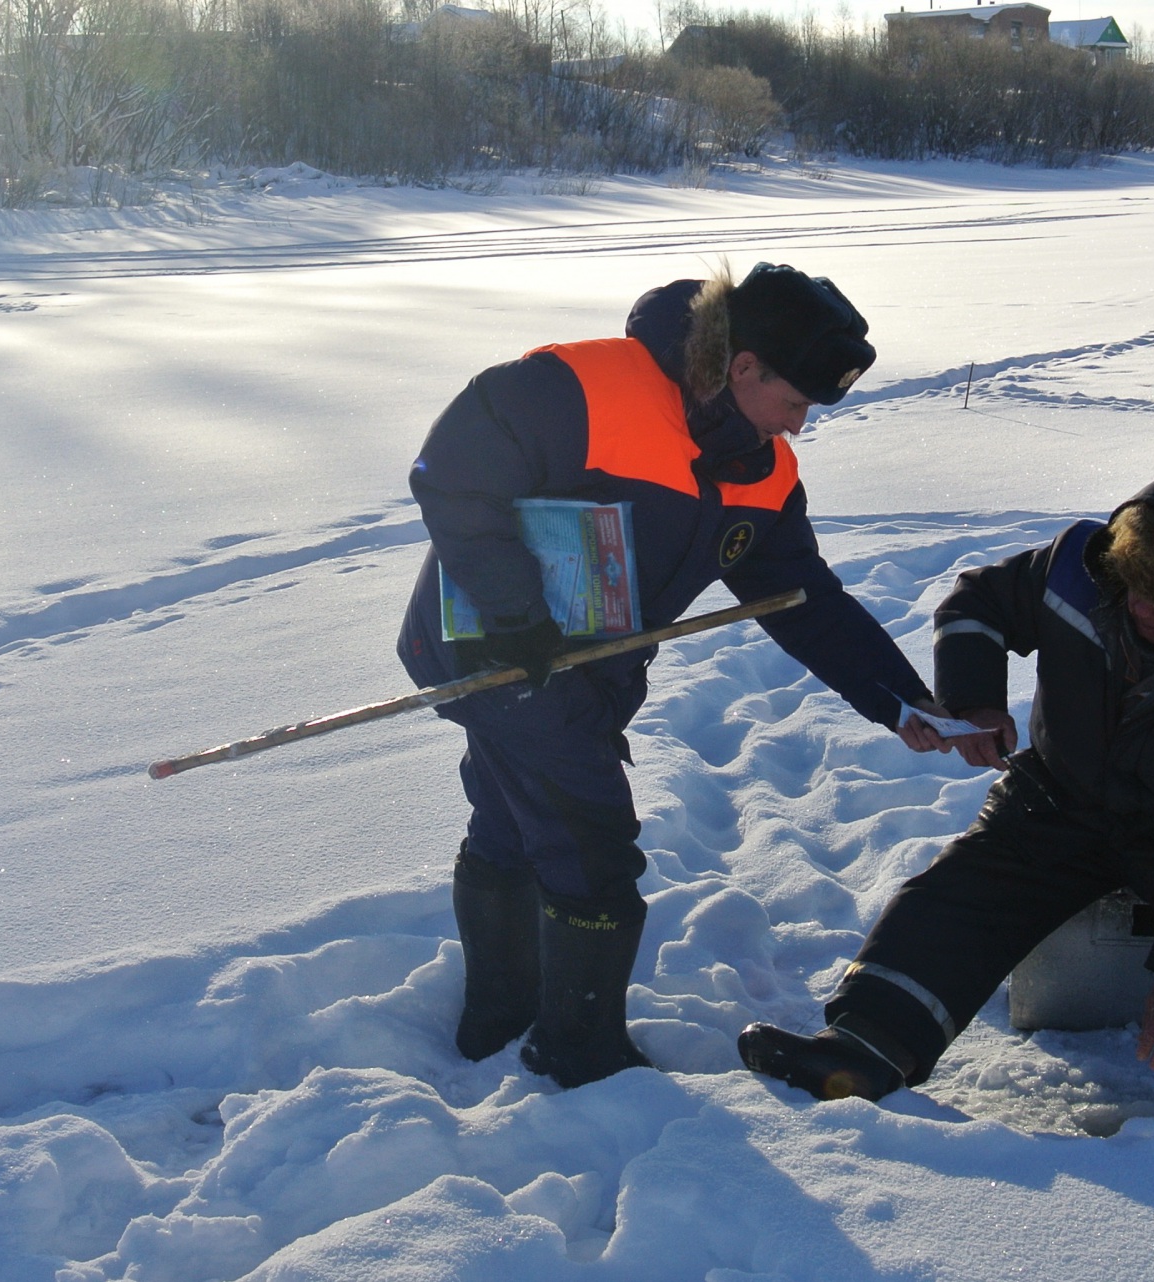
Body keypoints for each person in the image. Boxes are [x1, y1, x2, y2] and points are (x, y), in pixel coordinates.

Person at [738, 447, 1154, 1134]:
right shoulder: (1075, 564)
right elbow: (975, 604)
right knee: (954, 898)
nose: (1146, 613)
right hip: (1054, 799)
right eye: (1137, 591)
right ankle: (863, 1049)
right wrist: (974, 701)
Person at [399, 262, 948, 1089]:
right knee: (590, 844)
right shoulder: (580, 388)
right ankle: (576, 1055)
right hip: (498, 651)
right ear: (743, 368)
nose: (799, 428)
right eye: (795, 403)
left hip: (588, 671)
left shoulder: (760, 471)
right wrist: (517, 616)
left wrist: (899, 695)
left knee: (515, 820)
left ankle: (496, 1020)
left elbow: (803, 600)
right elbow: (452, 472)